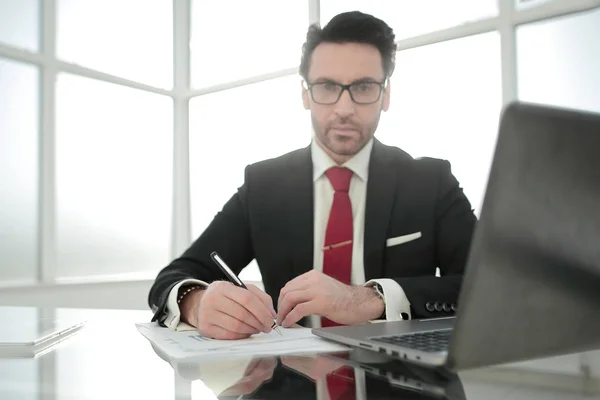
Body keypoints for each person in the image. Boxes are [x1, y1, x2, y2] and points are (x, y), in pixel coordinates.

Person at [148, 10, 477, 340]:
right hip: (288, 383)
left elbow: (489, 284)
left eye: (363, 87)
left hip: (404, 383)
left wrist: (372, 298)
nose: (344, 108)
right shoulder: (264, 185)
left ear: (385, 94)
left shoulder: (431, 182)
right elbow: (175, 276)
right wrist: (197, 302)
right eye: (327, 86)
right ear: (305, 94)